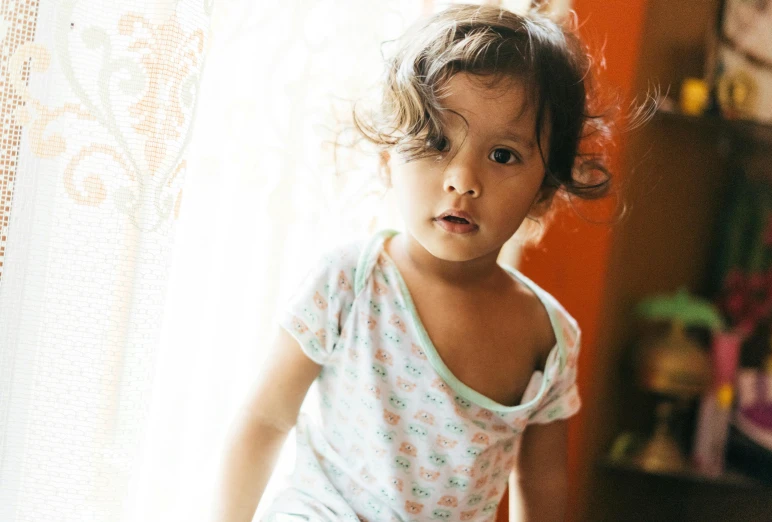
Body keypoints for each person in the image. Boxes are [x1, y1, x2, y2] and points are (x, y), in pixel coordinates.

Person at [210, 3, 617, 522]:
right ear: (389, 156)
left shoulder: (548, 337)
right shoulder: (349, 282)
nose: (463, 179)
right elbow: (266, 419)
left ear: (544, 191)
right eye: (437, 142)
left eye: (503, 156)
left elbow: (541, 485)